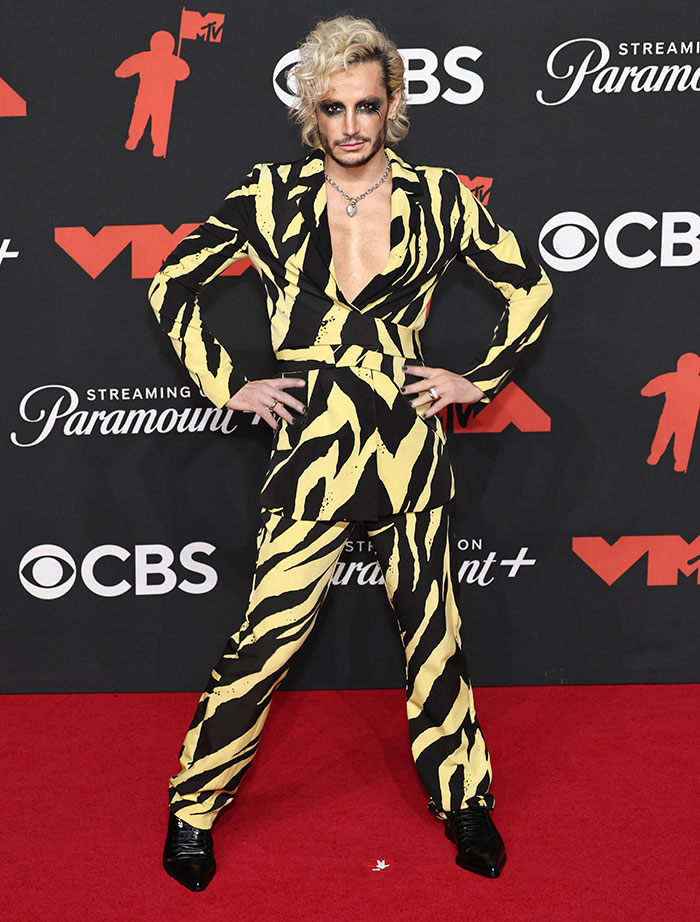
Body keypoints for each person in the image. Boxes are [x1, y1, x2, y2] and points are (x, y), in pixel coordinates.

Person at [148, 16, 553, 892]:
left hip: (408, 444)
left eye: (367, 106)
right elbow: (171, 282)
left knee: (435, 635)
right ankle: (194, 808)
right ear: (310, 110)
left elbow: (530, 286)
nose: (351, 126)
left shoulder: (442, 198)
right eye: (332, 108)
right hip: (313, 447)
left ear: (392, 102)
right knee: (264, 640)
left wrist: (476, 378)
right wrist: (228, 384)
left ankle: (465, 800)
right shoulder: (268, 195)